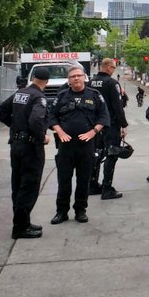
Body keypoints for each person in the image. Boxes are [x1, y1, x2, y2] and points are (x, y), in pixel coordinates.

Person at [48, 65, 108, 224]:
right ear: (68, 80)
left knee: (83, 180)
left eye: (79, 76)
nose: (76, 78)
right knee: (64, 180)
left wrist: (93, 132)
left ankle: (80, 210)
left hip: (86, 146)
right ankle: (61, 212)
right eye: (72, 76)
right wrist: (59, 131)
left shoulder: (94, 95)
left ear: (84, 77)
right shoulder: (61, 96)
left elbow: (103, 117)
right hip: (65, 146)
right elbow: (51, 117)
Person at [0, 66, 51, 239]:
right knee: (29, 186)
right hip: (30, 147)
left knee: (18, 184)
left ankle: (23, 221)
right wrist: (41, 136)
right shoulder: (39, 97)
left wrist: (15, 128)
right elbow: (36, 119)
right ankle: (20, 227)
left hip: (16, 144)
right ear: (47, 82)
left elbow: (1, 111)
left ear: (33, 77)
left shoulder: (21, 93)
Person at [89, 58, 129, 200]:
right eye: (113, 68)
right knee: (112, 154)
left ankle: (92, 185)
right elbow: (118, 106)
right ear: (107, 67)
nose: (113, 70)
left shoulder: (90, 82)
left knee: (96, 154)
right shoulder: (112, 83)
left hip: (93, 126)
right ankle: (107, 188)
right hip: (110, 124)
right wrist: (123, 125)